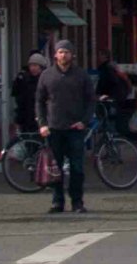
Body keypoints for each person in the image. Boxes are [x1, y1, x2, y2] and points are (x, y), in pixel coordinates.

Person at [35, 40, 95, 214]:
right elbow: (39, 101)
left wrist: (84, 121)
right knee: (55, 167)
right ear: (55, 55)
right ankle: (57, 202)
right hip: (54, 127)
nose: (63, 55)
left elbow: (91, 100)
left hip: (75, 128)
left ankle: (77, 202)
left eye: (67, 52)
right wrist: (42, 124)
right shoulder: (47, 75)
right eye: (60, 52)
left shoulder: (81, 75)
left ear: (72, 55)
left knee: (77, 167)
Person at [94, 51, 133, 138]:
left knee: (107, 116)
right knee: (110, 115)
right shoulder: (112, 67)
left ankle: (111, 136)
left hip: (110, 96)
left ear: (105, 57)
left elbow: (110, 81)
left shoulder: (106, 68)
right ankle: (111, 135)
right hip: (117, 96)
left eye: (100, 56)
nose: (98, 58)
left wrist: (102, 93)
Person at [11, 53, 48, 136]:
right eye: (31, 65)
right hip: (25, 116)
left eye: (35, 65)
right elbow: (17, 97)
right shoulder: (24, 79)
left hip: (41, 116)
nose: (33, 68)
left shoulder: (45, 79)